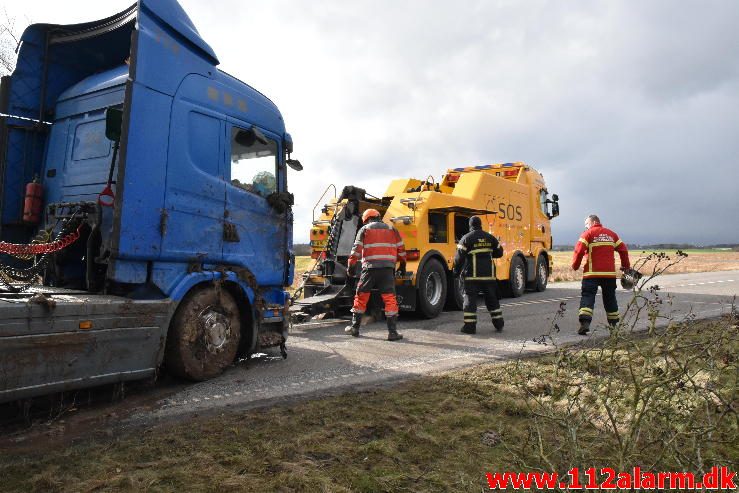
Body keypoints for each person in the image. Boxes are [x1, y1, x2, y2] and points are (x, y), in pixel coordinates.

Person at [344, 208, 406, 341]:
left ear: (366, 220)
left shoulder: (365, 230)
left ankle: (355, 328)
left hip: (369, 269)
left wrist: (351, 266)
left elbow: (356, 250)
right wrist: (403, 265)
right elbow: (401, 249)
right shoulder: (392, 229)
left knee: (361, 296)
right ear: (378, 217)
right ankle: (392, 333)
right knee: (390, 299)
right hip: (387, 270)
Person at [571, 214, 631, 335]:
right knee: (610, 298)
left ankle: (585, 324)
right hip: (609, 275)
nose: (586, 227)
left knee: (588, 297)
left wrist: (575, 265)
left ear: (593, 222)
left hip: (591, 274)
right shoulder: (611, 234)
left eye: (586, 224)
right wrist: (626, 268)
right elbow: (623, 249)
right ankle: (614, 326)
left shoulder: (587, 234)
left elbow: (578, 251)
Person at [453, 216, 504, 334]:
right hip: (489, 276)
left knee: (470, 300)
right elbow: (499, 252)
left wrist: (456, 272)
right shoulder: (490, 238)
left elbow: (459, 258)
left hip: (472, 277)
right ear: (480, 225)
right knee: (492, 299)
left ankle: (469, 327)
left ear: (470, 226)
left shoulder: (466, 238)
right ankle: (499, 323)